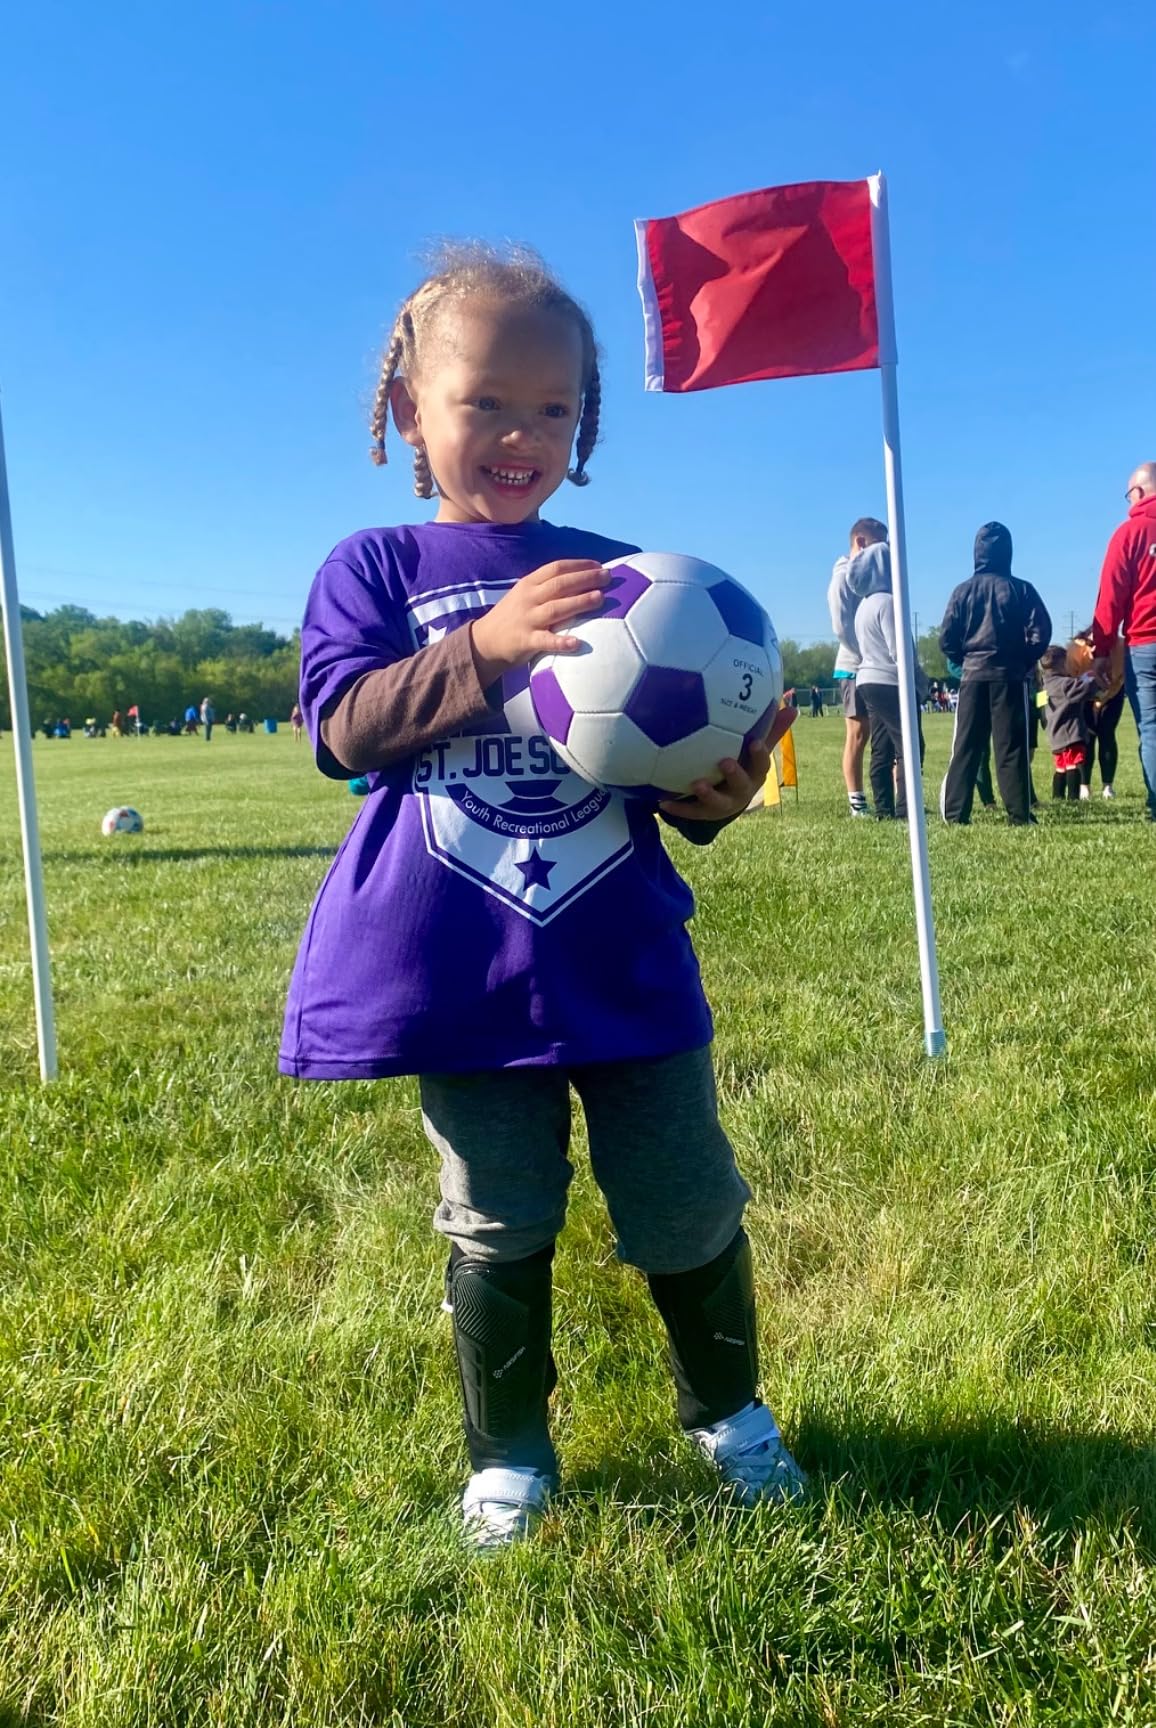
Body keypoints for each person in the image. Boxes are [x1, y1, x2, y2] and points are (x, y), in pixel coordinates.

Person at [279, 245, 806, 1549]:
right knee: (497, 1213)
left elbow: (665, 783)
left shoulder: (634, 580)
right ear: (408, 408)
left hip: (617, 956)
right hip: (462, 973)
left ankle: (731, 1413)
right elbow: (342, 728)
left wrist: (717, 796)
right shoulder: (376, 568)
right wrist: (485, 646)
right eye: (486, 403)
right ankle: (508, 1455)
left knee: (685, 1195)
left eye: (554, 408)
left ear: (587, 420)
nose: (522, 435)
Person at [939, 523, 1051, 825]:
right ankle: (1019, 814)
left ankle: (955, 813)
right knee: (1011, 747)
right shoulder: (1021, 589)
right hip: (1008, 678)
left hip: (973, 677)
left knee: (966, 745)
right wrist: (1022, 660)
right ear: (1008, 551)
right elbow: (1041, 632)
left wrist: (966, 660)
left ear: (976, 552)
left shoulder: (962, 591)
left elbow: (946, 639)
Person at [845, 535, 926, 819]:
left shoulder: (863, 605)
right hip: (891, 681)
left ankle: (884, 808)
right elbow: (898, 650)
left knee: (881, 746)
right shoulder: (889, 602)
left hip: (867, 680)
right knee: (910, 745)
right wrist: (917, 679)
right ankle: (907, 809)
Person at [1092, 462, 1156, 820]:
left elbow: (1111, 598)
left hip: (1145, 643)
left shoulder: (1129, 533)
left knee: (1152, 727)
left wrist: (1101, 650)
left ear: (1140, 492)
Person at [829, 518, 886, 816]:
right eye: (879, 545)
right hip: (854, 664)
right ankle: (857, 802)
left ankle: (895, 797)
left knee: (884, 733)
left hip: (877, 665)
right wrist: (864, 653)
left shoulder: (874, 576)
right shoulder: (842, 576)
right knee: (858, 733)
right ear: (861, 543)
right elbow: (841, 625)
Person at [1068, 628, 1125, 801]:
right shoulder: (1074, 650)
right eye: (1091, 644)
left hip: (1113, 691)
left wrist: (1103, 699)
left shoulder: (1120, 648)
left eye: (1101, 646)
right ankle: (1084, 785)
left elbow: (1119, 679)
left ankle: (1108, 786)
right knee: (1087, 737)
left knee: (1107, 734)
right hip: (1084, 692)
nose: (1095, 649)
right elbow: (1073, 680)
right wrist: (1091, 700)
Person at [1039, 646, 1097, 801]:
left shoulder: (1043, 686)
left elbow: (1041, 708)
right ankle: (1072, 798)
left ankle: (1057, 797)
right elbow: (1084, 690)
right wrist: (1093, 679)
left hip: (1054, 734)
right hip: (1070, 732)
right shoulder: (1065, 684)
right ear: (1061, 664)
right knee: (1073, 765)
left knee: (1060, 766)